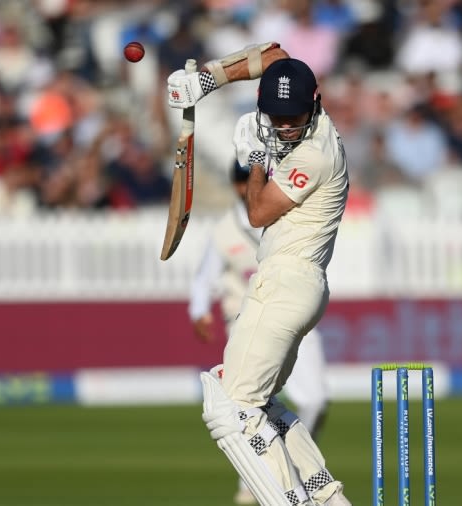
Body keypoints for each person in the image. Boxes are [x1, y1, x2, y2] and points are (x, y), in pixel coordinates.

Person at [168, 45, 352, 506]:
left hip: (286, 281)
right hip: (296, 285)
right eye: (277, 117)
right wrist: (206, 81)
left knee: (231, 408)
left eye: (294, 119)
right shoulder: (295, 91)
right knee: (263, 405)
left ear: (316, 103)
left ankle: (289, 501)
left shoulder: (315, 153)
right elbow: (274, 56)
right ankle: (323, 495)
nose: (286, 127)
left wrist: (252, 157)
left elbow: (258, 211)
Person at [188, 159, 331, 505]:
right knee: (250, 407)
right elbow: (205, 276)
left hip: (292, 312)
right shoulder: (225, 230)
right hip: (250, 322)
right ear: (237, 187)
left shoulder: (285, 214)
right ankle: (259, 479)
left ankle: (281, 466)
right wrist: (199, 311)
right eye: (241, 184)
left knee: (315, 401)